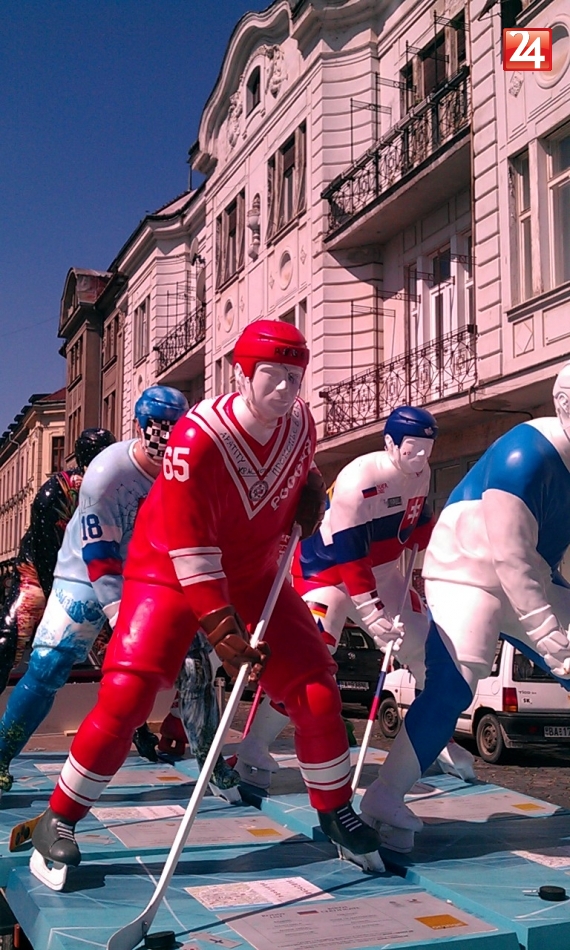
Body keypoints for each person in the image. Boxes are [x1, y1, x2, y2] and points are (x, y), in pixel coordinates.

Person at [31, 319, 383, 880]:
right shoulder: (198, 437)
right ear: (242, 374)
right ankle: (60, 816)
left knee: (315, 683)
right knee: (130, 692)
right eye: (272, 374)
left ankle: (336, 808)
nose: (286, 388)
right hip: (168, 569)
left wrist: (310, 490)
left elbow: (299, 471)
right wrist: (223, 633)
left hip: (252, 571)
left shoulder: (301, 422)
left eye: (295, 376)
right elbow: (191, 543)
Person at [358, 363, 570, 851]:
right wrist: (547, 634)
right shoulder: (525, 454)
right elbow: (510, 554)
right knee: (456, 681)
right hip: (467, 571)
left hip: (532, 572)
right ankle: (385, 794)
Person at [235, 407, 474, 809]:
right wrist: (375, 615)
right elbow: (350, 557)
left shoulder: (421, 471)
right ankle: (255, 745)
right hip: (325, 573)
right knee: (309, 661)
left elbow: (419, 520)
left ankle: (436, 737)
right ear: (391, 443)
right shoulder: (358, 482)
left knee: (427, 652)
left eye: (427, 448)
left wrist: (432, 539)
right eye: (413, 447)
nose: (420, 456)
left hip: (381, 571)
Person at [0, 386, 189, 791]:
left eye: (176, 427)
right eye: (158, 428)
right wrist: (119, 615)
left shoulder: (187, 469)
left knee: (188, 663)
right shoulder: (107, 472)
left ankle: (194, 746)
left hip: (146, 572)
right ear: (139, 426)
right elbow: (98, 551)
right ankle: (1, 753)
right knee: (50, 664)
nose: (167, 438)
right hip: (83, 572)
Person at [0, 428, 116, 695]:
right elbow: (45, 553)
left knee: (115, 644)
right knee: (12, 635)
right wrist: (58, 602)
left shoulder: (116, 491)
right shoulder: (55, 494)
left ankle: (129, 714)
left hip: (91, 571)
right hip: (39, 570)